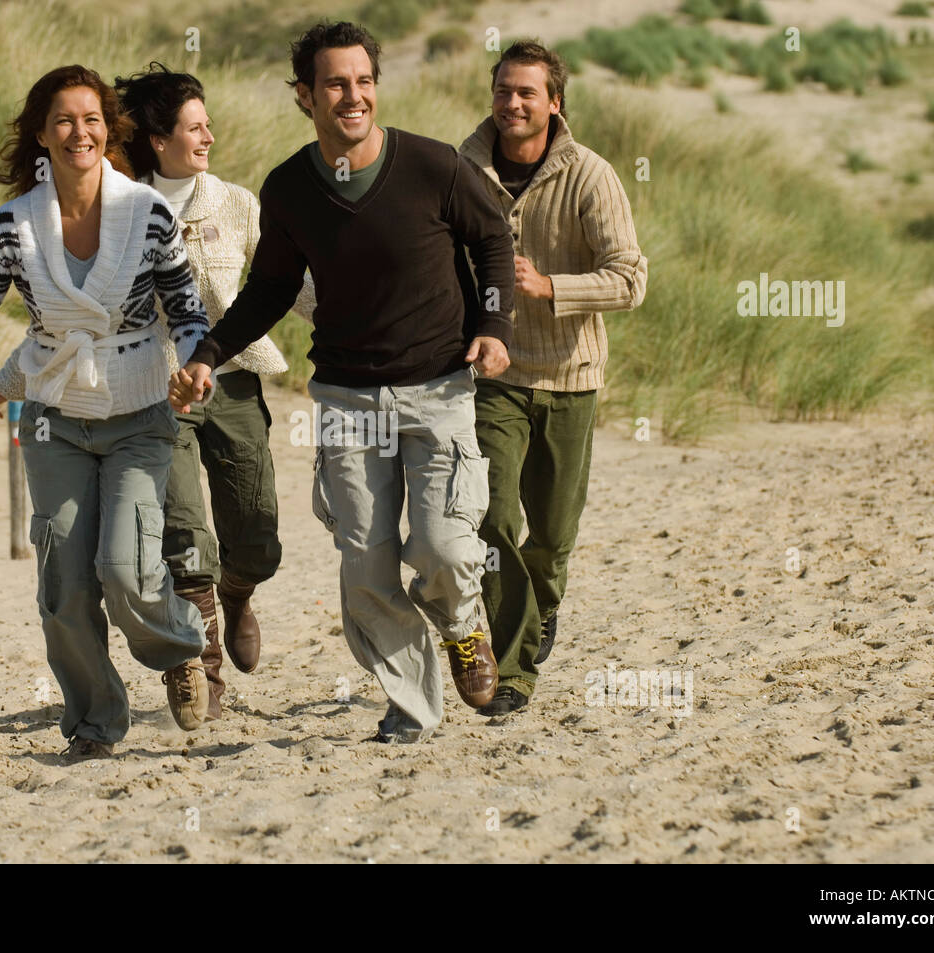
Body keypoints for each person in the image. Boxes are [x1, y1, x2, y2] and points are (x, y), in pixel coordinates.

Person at [171, 21, 516, 743]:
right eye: (335, 83)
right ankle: (411, 703)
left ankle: (462, 621)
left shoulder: (433, 166)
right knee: (365, 565)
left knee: (445, 548)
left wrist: (494, 326)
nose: (352, 95)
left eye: (363, 81)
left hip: (438, 390)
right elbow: (269, 289)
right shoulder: (291, 188)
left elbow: (493, 239)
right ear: (306, 95)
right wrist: (209, 352)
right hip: (348, 401)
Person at [0, 64, 212, 761]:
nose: (78, 132)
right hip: (56, 415)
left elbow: (184, 308)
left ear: (108, 130)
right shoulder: (12, 222)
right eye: (63, 120)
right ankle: (94, 720)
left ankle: (180, 643)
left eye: (90, 119)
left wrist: (195, 368)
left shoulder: (148, 212)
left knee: (124, 568)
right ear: (42, 133)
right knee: (63, 580)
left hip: (139, 407)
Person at [113, 63, 316, 721]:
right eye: (194, 127)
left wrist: (355, 323)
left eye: (207, 124)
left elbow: (285, 284)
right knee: (184, 537)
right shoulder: (118, 208)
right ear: (158, 137)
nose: (208, 136)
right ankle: (206, 672)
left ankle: (239, 593)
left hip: (232, 381)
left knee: (256, 535)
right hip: (156, 392)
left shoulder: (235, 202)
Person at [458, 41, 647, 714]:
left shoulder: (591, 175)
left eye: (527, 93)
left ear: (553, 103)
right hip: (494, 374)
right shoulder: (462, 169)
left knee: (553, 535)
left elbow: (631, 279)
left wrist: (548, 285)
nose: (512, 103)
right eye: (504, 90)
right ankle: (513, 672)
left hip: (572, 375)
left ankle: (542, 604)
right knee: (493, 516)